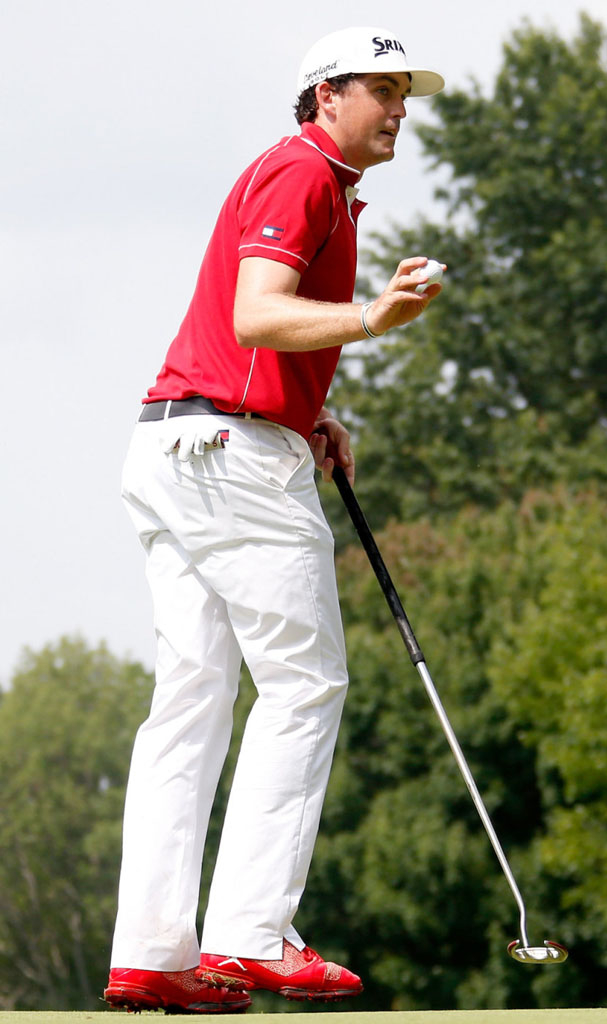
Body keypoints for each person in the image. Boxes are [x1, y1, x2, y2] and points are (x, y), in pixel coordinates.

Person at [104, 25, 445, 1015]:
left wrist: (311, 410)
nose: (399, 108)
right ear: (327, 94)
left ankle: (154, 953)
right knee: (305, 683)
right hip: (231, 460)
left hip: (176, 445)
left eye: (403, 92)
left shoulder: (312, 181)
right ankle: (253, 933)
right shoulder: (302, 172)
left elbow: (250, 335)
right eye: (383, 89)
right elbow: (258, 313)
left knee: (193, 703)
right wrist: (371, 322)